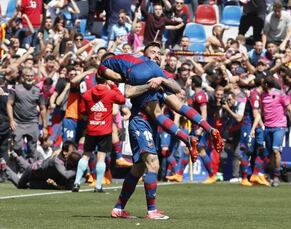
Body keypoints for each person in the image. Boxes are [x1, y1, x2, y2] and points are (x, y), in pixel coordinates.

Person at [98, 42, 224, 161]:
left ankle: (187, 139)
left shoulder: (120, 65)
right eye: (154, 52)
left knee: (159, 114)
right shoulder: (147, 64)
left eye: (159, 53)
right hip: (144, 116)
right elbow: (177, 90)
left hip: (144, 119)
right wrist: (158, 81)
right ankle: (210, 129)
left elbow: (123, 86)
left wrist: (159, 80)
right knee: (179, 106)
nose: (157, 55)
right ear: (145, 54)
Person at [111, 79, 170, 220]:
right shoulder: (137, 75)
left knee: (138, 168)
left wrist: (163, 80)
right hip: (140, 122)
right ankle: (152, 211)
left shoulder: (161, 76)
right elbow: (128, 92)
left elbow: (178, 90)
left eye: (159, 55)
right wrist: (149, 85)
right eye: (154, 55)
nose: (157, 56)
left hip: (152, 125)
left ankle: (118, 208)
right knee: (153, 164)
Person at [72, 75, 126, 192]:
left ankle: (76, 183)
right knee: (101, 158)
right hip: (105, 130)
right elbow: (122, 100)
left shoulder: (87, 94)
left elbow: (83, 113)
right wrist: (114, 86)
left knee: (85, 155)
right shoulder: (110, 93)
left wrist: (93, 117)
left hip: (91, 129)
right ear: (106, 80)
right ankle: (98, 186)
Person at [251, 76, 291, 187]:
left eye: (263, 83)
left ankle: (277, 176)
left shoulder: (280, 94)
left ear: (267, 84)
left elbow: (290, 110)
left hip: (280, 127)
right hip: (267, 127)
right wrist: (254, 128)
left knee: (276, 151)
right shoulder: (262, 96)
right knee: (269, 154)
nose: (261, 86)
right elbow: (260, 113)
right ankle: (269, 175)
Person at [7, 67, 48, 161]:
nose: (29, 78)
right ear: (22, 77)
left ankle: (31, 170)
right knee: (16, 147)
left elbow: (42, 108)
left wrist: (45, 126)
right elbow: (9, 104)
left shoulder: (38, 90)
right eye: (27, 76)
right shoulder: (15, 88)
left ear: (34, 77)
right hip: (18, 123)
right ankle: (18, 169)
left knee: (33, 149)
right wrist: (11, 120)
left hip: (33, 122)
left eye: (31, 76)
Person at [4, 140, 80, 190]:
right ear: (65, 153)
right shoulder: (57, 161)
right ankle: (4, 167)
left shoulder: (64, 156)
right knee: (21, 185)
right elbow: (66, 174)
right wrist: (79, 169)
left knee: (30, 167)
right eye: (72, 150)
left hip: (38, 168)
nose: (75, 152)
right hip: (33, 171)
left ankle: (15, 156)